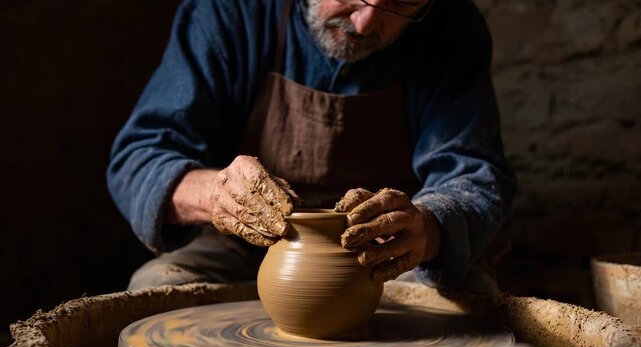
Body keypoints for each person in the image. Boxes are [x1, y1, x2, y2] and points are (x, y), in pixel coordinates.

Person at [107, 0, 516, 291]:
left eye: (401, 3)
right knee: (156, 290)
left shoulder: (451, 27)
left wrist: (429, 227)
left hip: (383, 254)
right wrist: (215, 194)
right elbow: (140, 157)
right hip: (243, 244)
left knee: (465, 307)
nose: (366, 22)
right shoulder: (230, 10)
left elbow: (473, 173)